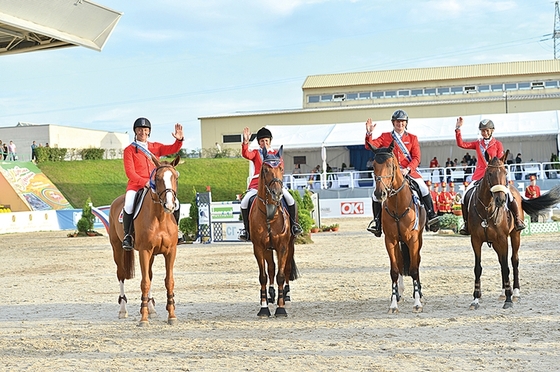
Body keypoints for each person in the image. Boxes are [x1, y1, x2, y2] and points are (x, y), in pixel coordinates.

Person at [364, 109, 439, 237]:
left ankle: (431, 216)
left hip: (408, 171)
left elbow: (416, 158)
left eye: (403, 122)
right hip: (390, 173)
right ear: (393, 123)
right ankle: (377, 223)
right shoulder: (385, 136)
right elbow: (369, 146)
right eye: (398, 122)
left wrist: (408, 169)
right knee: (375, 195)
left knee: (424, 188)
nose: (400, 124)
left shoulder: (412, 138)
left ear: (406, 123)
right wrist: (369, 133)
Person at [121, 117, 185, 250]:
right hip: (136, 185)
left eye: (145, 130)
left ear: (149, 132)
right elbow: (130, 172)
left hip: (156, 185)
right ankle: (128, 236)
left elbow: (173, 148)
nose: (142, 132)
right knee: (128, 205)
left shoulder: (155, 147)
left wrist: (178, 140)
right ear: (135, 131)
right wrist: (144, 182)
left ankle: (176, 232)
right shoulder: (129, 150)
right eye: (139, 130)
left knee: (176, 203)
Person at [455, 117, 525, 235]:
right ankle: (466, 224)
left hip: (496, 177)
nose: (485, 133)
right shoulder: (478, 143)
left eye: (487, 130)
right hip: (479, 175)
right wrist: (458, 128)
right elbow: (461, 144)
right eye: (483, 131)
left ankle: (517, 220)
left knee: (510, 195)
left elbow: (500, 161)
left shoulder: (498, 144)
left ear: (492, 131)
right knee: (464, 196)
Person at [238, 127, 302, 241]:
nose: (264, 143)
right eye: (262, 141)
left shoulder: (276, 154)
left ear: (270, 141)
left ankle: (294, 225)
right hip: (257, 186)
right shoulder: (256, 153)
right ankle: (246, 230)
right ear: (259, 143)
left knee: (290, 199)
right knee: (244, 202)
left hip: (274, 185)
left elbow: (280, 169)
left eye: (266, 141)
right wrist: (245, 142)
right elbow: (246, 154)